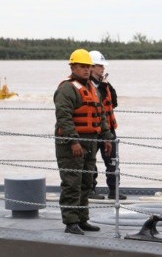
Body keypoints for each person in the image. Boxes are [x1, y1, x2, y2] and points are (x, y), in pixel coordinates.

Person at [54, 49, 113, 235]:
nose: (86, 70)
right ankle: (70, 222)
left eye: (88, 66)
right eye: (82, 67)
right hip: (73, 144)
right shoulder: (67, 89)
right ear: (73, 67)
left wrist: (106, 137)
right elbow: (64, 117)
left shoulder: (92, 88)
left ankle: (82, 218)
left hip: (91, 141)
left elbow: (101, 115)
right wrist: (73, 141)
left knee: (87, 181)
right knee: (72, 182)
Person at [87, 50, 126, 200]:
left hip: (108, 129)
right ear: (90, 67)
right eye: (99, 66)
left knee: (112, 161)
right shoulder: (87, 85)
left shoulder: (105, 84)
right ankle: (91, 190)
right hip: (93, 129)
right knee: (90, 161)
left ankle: (113, 191)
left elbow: (113, 102)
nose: (102, 68)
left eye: (103, 66)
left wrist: (106, 85)